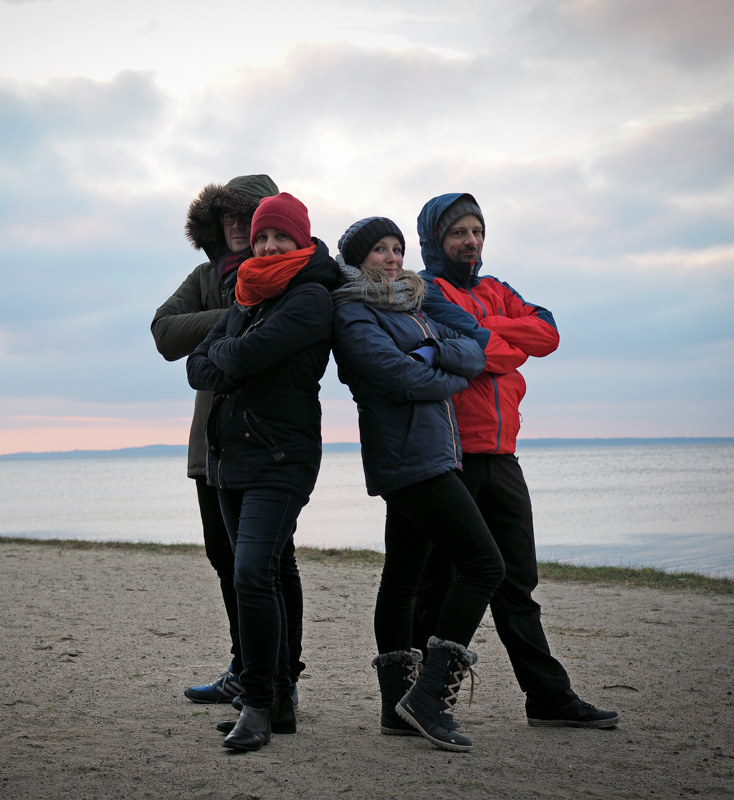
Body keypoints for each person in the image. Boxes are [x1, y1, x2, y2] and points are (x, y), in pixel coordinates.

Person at [413, 192, 620, 729]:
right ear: (437, 238)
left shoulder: (498, 289)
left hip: (503, 459)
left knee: (517, 583)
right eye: (458, 231)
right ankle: (419, 698)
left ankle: (548, 700)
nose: (471, 241)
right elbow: (486, 352)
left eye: (478, 231)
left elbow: (546, 335)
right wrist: (502, 342)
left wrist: (491, 335)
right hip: (450, 458)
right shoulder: (427, 291)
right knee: (437, 583)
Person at [331, 217, 503, 752]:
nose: (391, 257)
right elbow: (401, 378)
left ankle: (394, 710)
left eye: (397, 247)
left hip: (432, 456)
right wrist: (442, 371)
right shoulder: (351, 313)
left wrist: (432, 355)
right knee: (484, 566)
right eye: (379, 249)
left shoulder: (415, 305)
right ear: (358, 261)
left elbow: (474, 351)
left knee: (402, 580)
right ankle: (427, 698)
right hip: (409, 461)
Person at [186, 192, 338, 751]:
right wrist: (231, 351)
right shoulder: (245, 295)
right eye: (262, 237)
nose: (269, 245)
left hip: (280, 456)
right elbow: (196, 366)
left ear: (301, 239)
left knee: (252, 574)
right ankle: (278, 696)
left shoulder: (310, 297)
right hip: (230, 459)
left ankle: (255, 704)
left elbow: (235, 359)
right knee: (269, 572)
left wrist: (230, 353)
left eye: (280, 237)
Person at [151, 175, 305, 705]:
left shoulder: (296, 279)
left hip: (267, 445)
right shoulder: (205, 277)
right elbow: (164, 334)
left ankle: (281, 678)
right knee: (225, 559)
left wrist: (243, 317)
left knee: (269, 564)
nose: (238, 227)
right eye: (228, 218)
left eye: (248, 215)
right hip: (210, 447)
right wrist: (236, 311)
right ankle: (245, 666)